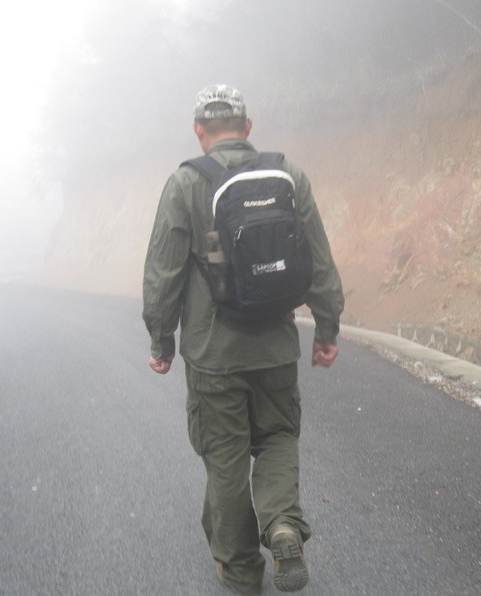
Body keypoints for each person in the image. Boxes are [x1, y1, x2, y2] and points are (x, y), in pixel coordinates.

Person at [142, 84, 344, 594]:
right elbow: (318, 260)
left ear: (199, 131)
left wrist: (161, 341)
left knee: (225, 458)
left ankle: (240, 572)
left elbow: (163, 273)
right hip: (275, 348)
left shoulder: (185, 183)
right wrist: (326, 328)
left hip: (213, 356)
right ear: (248, 127)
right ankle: (282, 524)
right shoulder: (288, 175)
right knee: (277, 437)